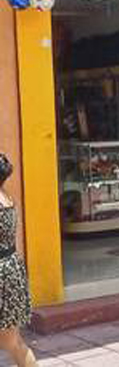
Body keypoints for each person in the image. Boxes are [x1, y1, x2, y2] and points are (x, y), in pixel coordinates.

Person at [0, 154, 38, 367]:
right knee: (12, 341)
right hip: (10, 270)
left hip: (2, 274)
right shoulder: (7, 197)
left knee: (12, 342)